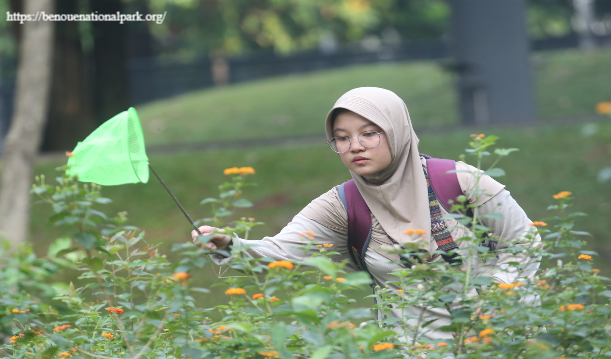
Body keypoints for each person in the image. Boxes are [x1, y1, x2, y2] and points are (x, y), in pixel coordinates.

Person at [191, 87, 541, 341]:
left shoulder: (458, 180)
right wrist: (228, 245)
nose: (354, 146)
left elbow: (525, 241)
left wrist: (497, 295)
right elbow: (281, 252)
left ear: (396, 130)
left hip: (502, 340)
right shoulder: (342, 204)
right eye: (341, 138)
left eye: (369, 134)